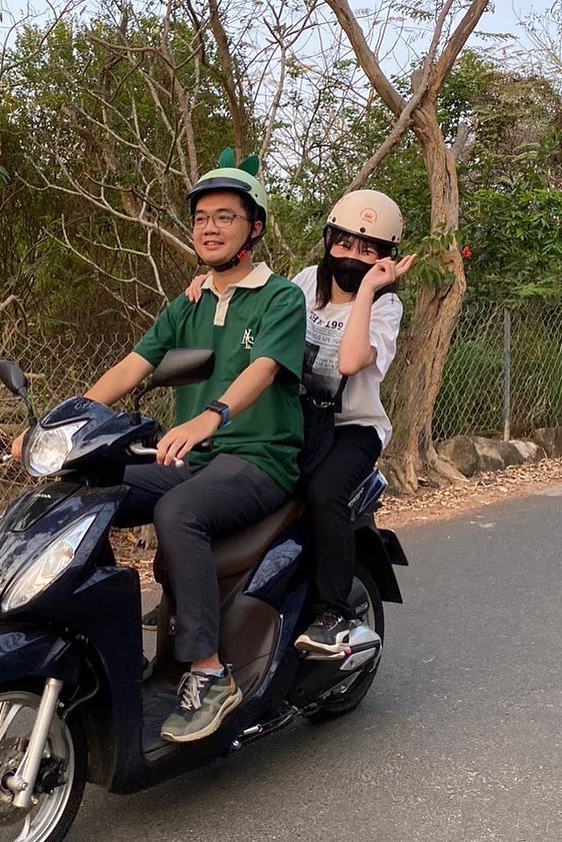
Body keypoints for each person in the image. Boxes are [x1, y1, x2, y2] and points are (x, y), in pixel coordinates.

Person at [12, 148, 306, 743]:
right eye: (201, 218)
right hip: (193, 461)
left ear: (254, 228)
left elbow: (265, 369)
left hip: (258, 460)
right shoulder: (188, 304)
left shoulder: (280, 298)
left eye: (225, 216)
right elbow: (132, 367)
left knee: (178, 512)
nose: (210, 228)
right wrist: (58, 427)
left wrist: (213, 415)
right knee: (87, 491)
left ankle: (209, 672)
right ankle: (95, 642)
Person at [184, 189, 415, 654]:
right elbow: (261, 308)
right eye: (344, 242)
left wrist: (367, 291)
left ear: (386, 258)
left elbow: (350, 361)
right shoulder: (307, 281)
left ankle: (335, 613)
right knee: (226, 480)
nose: (352, 256)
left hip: (353, 427)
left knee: (323, 492)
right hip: (297, 415)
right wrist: (212, 284)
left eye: (368, 250)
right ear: (329, 240)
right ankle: (202, 595)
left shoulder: (386, 307)